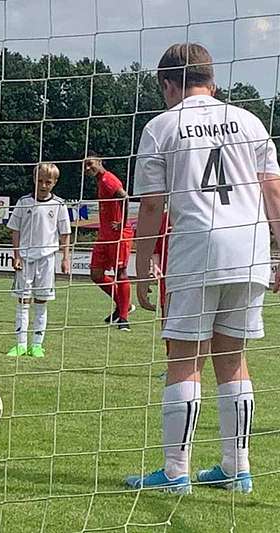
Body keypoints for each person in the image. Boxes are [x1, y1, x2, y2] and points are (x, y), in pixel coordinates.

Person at [126, 42, 280, 494]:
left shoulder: (162, 126)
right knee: (232, 359)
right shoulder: (250, 121)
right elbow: (273, 191)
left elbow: (152, 205)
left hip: (198, 250)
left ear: (169, 84)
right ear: (211, 79)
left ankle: (175, 473)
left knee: (184, 358)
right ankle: (238, 468)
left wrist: (141, 266)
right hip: (249, 249)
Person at [6, 163, 71, 358]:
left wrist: (65, 258)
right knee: (23, 301)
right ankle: (20, 344)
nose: (43, 185)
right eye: (40, 181)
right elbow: (15, 230)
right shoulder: (24, 202)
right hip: (25, 258)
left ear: (54, 183)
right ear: (34, 179)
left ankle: (37, 345)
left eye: (48, 182)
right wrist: (16, 255)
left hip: (47, 259)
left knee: (41, 302)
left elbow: (65, 233)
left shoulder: (59, 204)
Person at [84, 154, 134, 330]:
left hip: (118, 234)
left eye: (90, 164)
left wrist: (122, 223)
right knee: (96, 274)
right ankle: (123, 305)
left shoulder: (108, 180)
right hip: (104, 234)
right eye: (85, 166)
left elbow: (125, 198)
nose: (87, 169)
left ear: (99, 162)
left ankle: (124, 319)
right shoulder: (100, 181)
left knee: (121, 273)